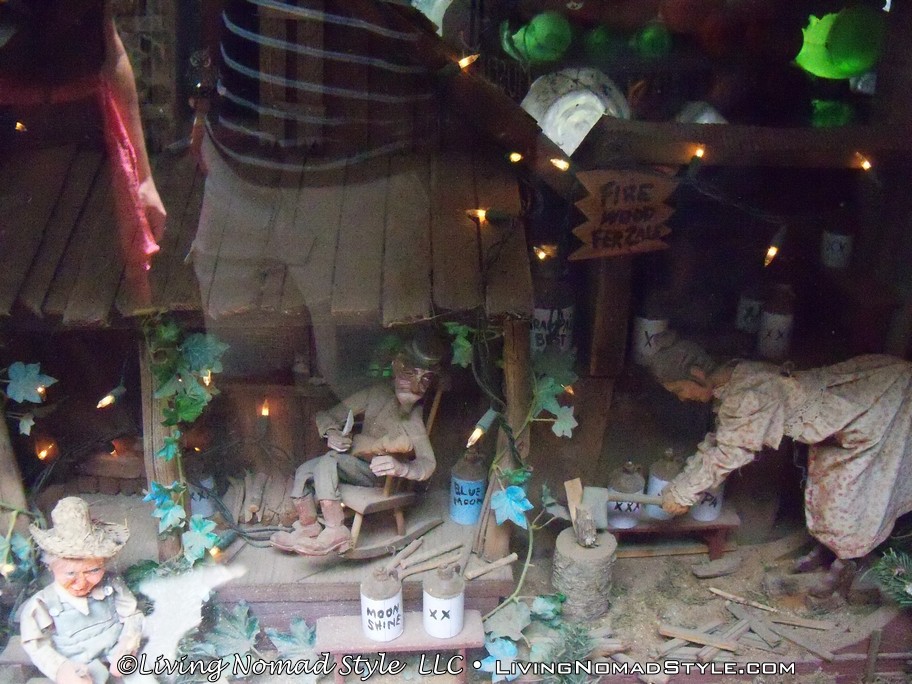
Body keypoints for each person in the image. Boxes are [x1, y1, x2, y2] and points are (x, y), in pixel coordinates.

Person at [647, 332, 912, 596]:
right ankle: (828, 551)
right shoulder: (731, 379)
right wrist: (681, 484)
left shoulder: (749, 395)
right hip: (839, 419)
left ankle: (843, 567)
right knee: (825, 489)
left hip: (876, 400)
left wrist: (685, 493)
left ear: (697, 374)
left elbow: (730, 453)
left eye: (680, 390)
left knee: (853, 491)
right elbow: (719, 440)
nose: (682, 398)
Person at [0, 0, 166, 296]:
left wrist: (143, 178)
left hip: (89, 143)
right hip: (13, 143)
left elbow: (110, 50)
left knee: (106, 293)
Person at [271, 336, 445, 556]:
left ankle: (335, 530)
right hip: (354, 464)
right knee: (305, 470)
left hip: (377, 477)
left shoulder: (413, 417)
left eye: (424, 380)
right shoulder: (376, 393)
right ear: (396, 368)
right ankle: (309, 526)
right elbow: (327, 415)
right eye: (409, 374)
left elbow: (428, 462)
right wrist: (331, 433)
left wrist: (402, 468)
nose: (415, 386)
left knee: (329, 460)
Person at [19, 497, 143, 684]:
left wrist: (128, 644)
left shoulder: (112, 584)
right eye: (70, 574)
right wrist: (60, 669)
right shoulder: (43, 602)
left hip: (114, 653)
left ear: (103, 563)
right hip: (76, 667)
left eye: (93, 570)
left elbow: (133, 615)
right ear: (50, 567)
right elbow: (36, 643)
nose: (82, 583)